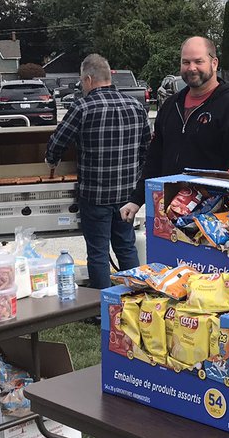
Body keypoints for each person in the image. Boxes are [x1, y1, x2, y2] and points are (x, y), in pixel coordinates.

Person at [121, 36, 229, 222]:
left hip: (211, 221)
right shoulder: (170, 106)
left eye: (198, 61)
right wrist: (136, 200)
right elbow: (155, 158)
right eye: (186, 62)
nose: (191, 68)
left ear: (214, 63)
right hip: (168, 213)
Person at [46, 54, 151, 290]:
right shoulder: (136, 106)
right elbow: (147, 150)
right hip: (128, 196)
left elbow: (57, 143)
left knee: (98, 253)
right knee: (126, 247)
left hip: (95, 197)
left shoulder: (82, 107)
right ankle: (134, 299)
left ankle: (102, 305)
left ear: (88, 79)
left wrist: (51, 161)